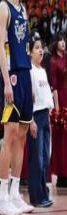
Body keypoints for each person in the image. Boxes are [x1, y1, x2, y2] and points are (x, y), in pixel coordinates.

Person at [0, 0, 34, 215]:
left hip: (25, 73)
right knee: (9, 135)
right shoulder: (4, 8)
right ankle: (2, 198)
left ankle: (15, 193)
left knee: (22, 136)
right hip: (12, 76)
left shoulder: (23, 10)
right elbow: (1, 46)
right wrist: (7, 81)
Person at [28, 36, 54, 207]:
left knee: (45, 157)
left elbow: (47, 97)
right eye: (36, 47)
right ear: (30, 52)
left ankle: (44, 193)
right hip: (36, 116)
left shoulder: (43, 70)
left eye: (41, 47)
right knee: (36, 159)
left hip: (46, 116)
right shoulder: (30, 71)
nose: (40, 50)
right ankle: (36, 197)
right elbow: (29, 99)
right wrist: (31, 121)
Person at [50, 33, 67, 187]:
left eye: (64, 40)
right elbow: (54, 86)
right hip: (61, 98)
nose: (63, 42)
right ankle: (62, 174)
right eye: (60, 40)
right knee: (61, 138)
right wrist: (57, 107)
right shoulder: (54, 61)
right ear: (55, 43)